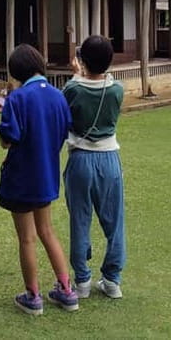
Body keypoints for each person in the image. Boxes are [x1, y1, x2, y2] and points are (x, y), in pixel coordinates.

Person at [0, 44, 78, 315]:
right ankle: (67, 290)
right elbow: (63, 131)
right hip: (46, 174)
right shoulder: (58, 97)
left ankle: (33, 296)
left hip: (20, 178)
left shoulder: (17, 99)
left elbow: (6, 141)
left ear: (16, 71)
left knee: (27, 238)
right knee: (47, 230)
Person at [63, 35, 126, 299]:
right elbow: (101, 86)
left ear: (82, 60)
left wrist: (78, 75)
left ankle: (82, 281)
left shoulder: (72, 88)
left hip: (80, 158)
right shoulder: (117, 90)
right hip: (109, 159)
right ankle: (112, 280)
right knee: (115, 222)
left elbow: (73, 98)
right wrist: (85, 72)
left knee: (80, 221)